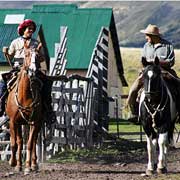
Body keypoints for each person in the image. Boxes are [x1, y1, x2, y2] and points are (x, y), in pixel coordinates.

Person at [1, 19, 56, 125]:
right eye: (29, 28)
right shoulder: (15, 42)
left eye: (32, 29)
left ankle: (48, 111)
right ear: (23, 30)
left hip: (33, 70)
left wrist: (38, 56)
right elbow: (10, 55)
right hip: (18, 69)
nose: (31, 30)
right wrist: (6, 53)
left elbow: (42, 59)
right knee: (3, 84)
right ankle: (2, 110)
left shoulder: (36, 43)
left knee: (47, 83)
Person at [126, 24, 180, 122]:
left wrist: (157, 62)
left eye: (147, 35)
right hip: (148, 72)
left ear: (153, 36)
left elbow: (171, 61)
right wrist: (147, 64)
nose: (146, 38)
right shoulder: (146, 46)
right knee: (133, 90)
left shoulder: (167, 46)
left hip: (165, 72)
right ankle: (134, 113)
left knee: (178, 85)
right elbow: (143, 60)